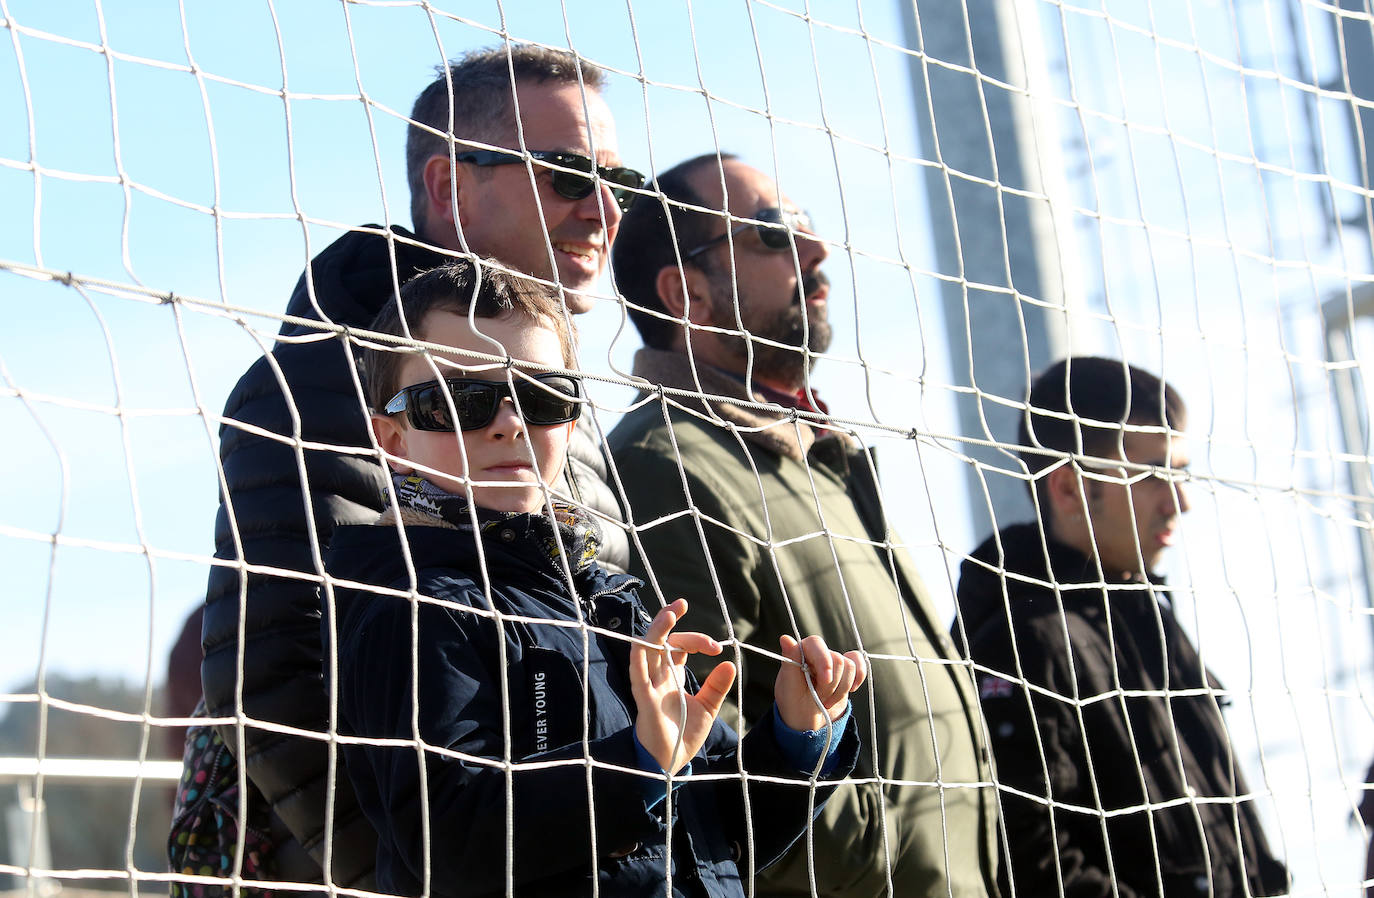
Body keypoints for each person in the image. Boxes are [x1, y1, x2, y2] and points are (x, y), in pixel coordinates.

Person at [194, 44, 641, 889]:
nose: (606, 209)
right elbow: (272, 684)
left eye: (620, 180)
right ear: (449, 187)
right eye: (570, 175)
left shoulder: (563, 405)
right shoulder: (318, 384)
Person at [326, 259, 864, 898]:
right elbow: (452, 841)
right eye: (458, 401)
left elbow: (721, 841)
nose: (508, 422)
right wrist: (637, 766)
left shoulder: (610, 602)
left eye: (540, 395)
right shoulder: (409, 606)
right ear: (393, 438)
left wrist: (797, 737)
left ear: (572, 420)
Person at [606, 153, 1000, 897]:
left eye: (808, 228)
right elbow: (698, 754)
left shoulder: (820, 457)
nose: (816, 252)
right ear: (686, 292)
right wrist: (886, 857)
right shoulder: (668, 467)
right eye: (773, 234)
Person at [953, 356, 1289, 898]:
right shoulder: (1022, 642)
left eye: (1180, 473)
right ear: (1070, 489)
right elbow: (1034, 866)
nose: (1179, 501)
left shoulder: (1150, 621)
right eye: (1154, 473)